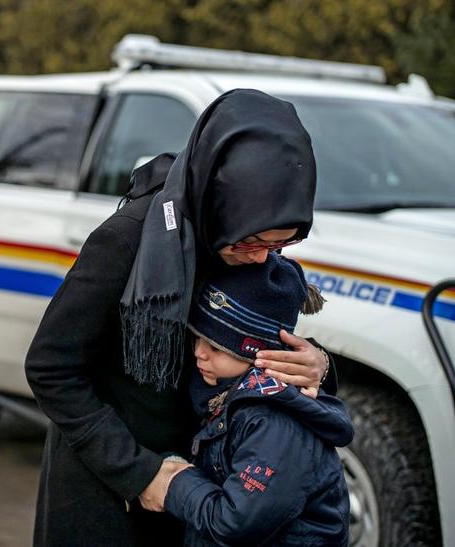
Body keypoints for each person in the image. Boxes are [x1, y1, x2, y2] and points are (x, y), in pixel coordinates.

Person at [24, 89, 337, 545]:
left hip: (199, 496)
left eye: (280, 246)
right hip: (108, 488)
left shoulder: (251, 249)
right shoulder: (128, 241)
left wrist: (320, 367)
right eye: (251, 242)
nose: (260, 259)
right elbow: (50, 369)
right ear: (222, 200)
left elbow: (257, 351)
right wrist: (140, 473)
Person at [161, 252, 352, 545]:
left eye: (216, 345)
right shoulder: (223, 391)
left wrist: (173, 483)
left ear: (260, 352)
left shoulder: (276, 425)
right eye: (197, 337)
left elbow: (235, 525)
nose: (199, 352)